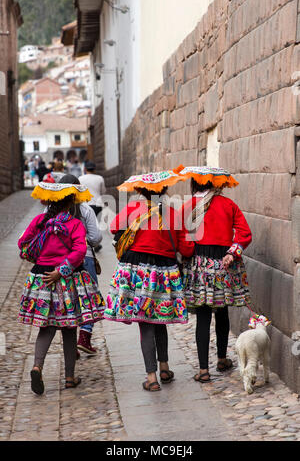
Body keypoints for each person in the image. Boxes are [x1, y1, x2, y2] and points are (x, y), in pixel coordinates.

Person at [104, 168, 194, 392]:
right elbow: (185, 247)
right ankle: (164, 367)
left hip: (137, 271)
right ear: (164, 189)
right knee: (160, 319)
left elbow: (114, 227)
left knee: (145, 323)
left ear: (140, 190)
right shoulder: (174, 213)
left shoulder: (134, 207)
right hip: (165, 271)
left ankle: (152, 377)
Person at [18, 181, 106, 395]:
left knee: (45, 327)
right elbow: (79, 251)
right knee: (69, 327)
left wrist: (38, 255)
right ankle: (69, 377)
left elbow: (23, 243)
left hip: (42, 278)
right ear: (69, 204)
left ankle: (37, 366)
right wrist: (62, 269)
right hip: (66, 280)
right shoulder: (74, 224)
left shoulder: (40, 221)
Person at [179, 166, 252, 384]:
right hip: (223, 265)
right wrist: (232, 252)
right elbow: (245, 233)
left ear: (194, 183)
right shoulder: (228, 204)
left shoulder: (187, 207)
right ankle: (222, 358)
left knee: (202, 317)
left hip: (199, 266)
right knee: (221, 311)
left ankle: (203, 370)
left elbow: (184, 244)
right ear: (214, 183)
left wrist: (188, 254)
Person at [58, 174, 103, 355]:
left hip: (60, 260)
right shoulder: (85, 209)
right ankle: (84, 337)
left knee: (65, 299)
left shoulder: (50, 211)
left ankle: (70, 347)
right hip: (85, 258)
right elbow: (95, 237)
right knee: (89, 298)